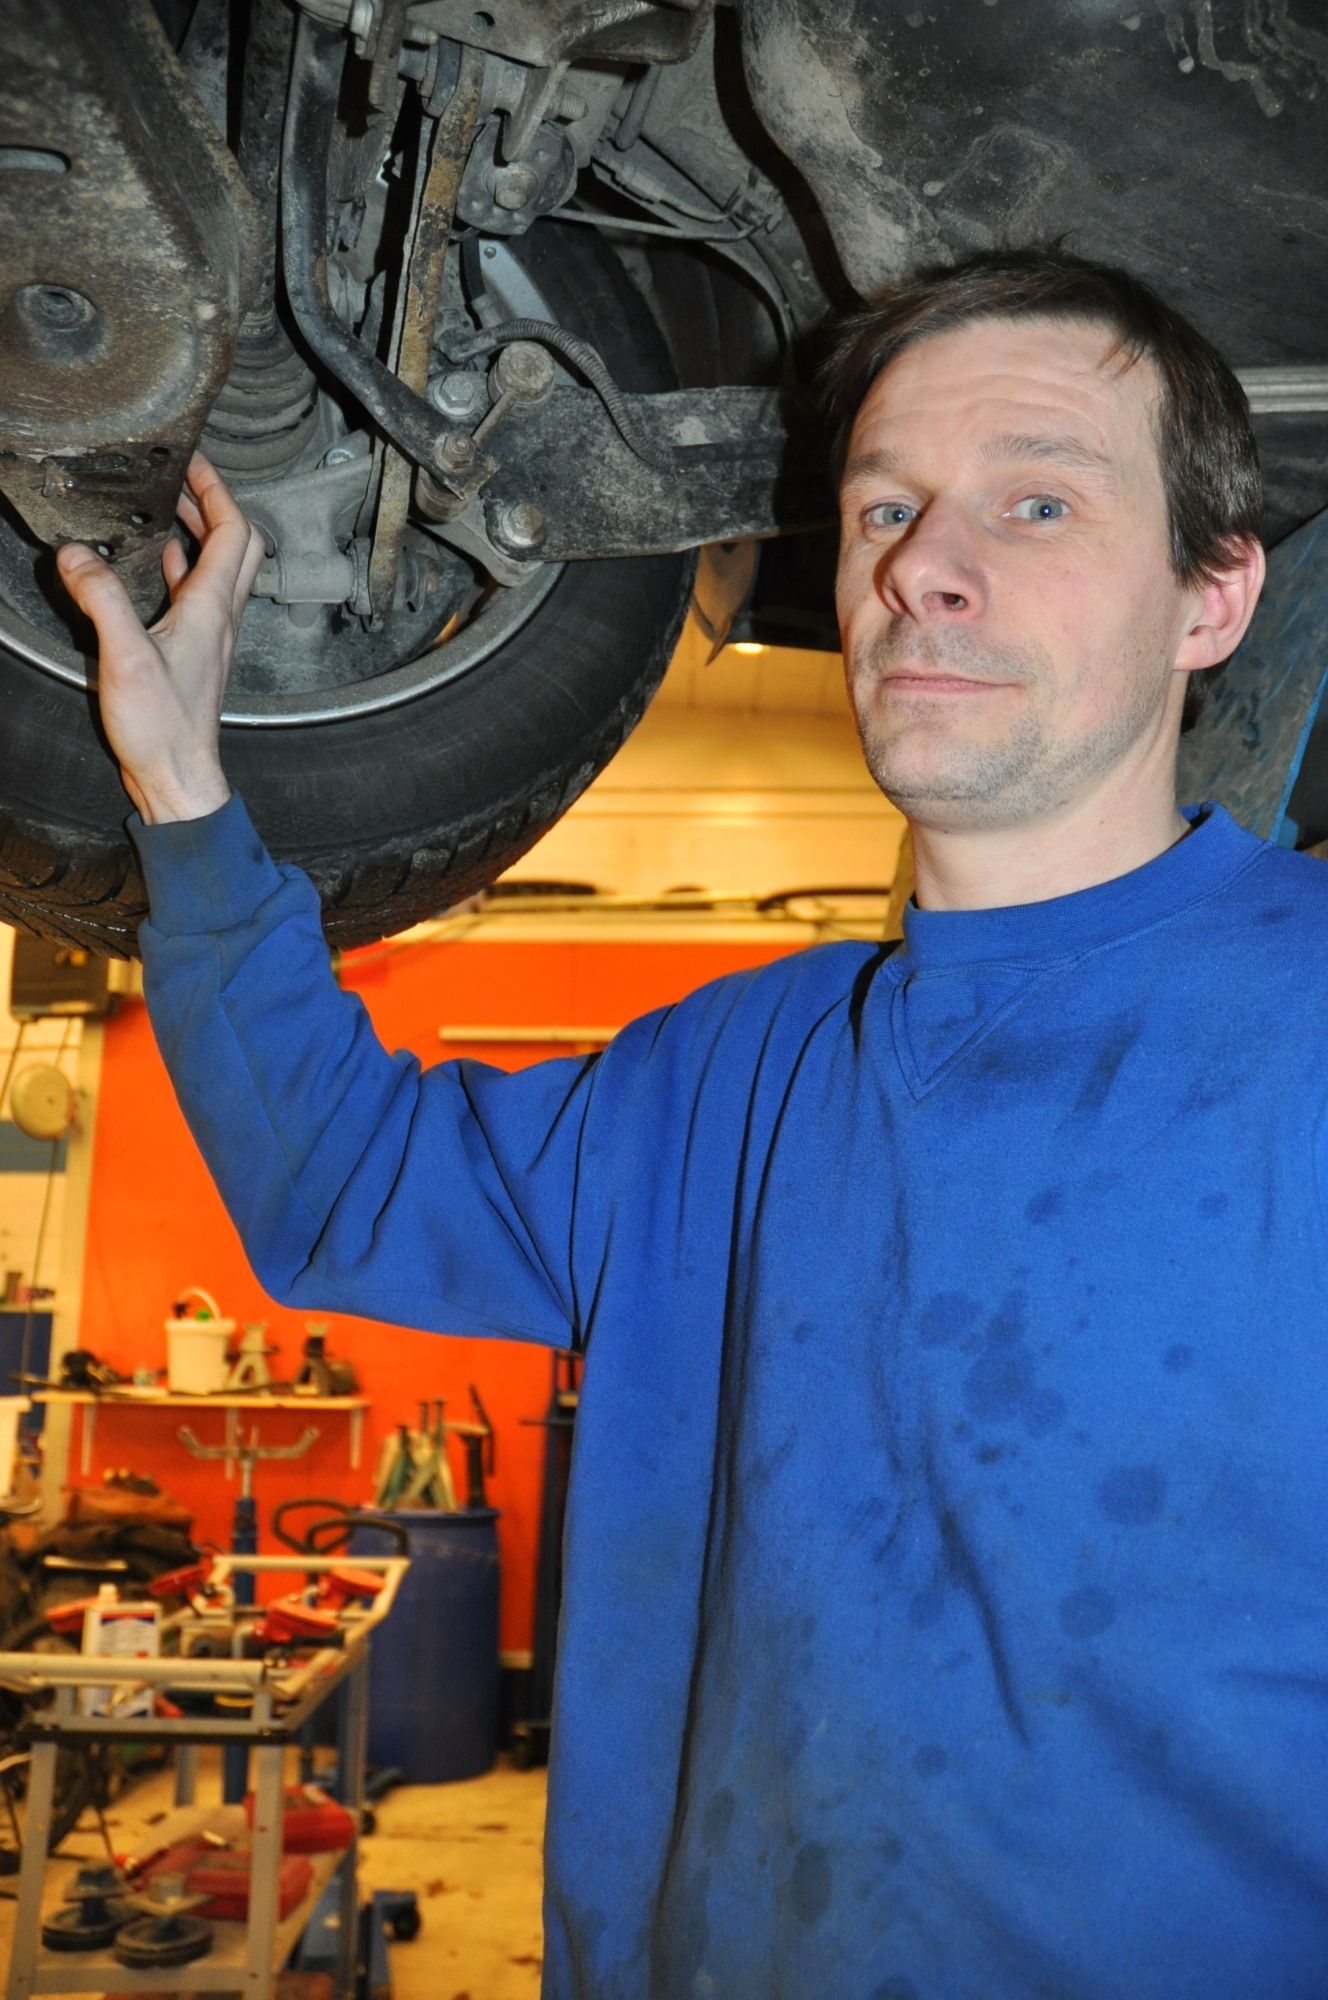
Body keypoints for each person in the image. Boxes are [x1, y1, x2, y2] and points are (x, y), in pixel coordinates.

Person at [56, 247, 1328, 2000]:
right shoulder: (719, 1076)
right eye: (885, 506)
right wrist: (182, 785)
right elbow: (339, 1177)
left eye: (1038, 502)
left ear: (1214, 596)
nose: (922, 568)